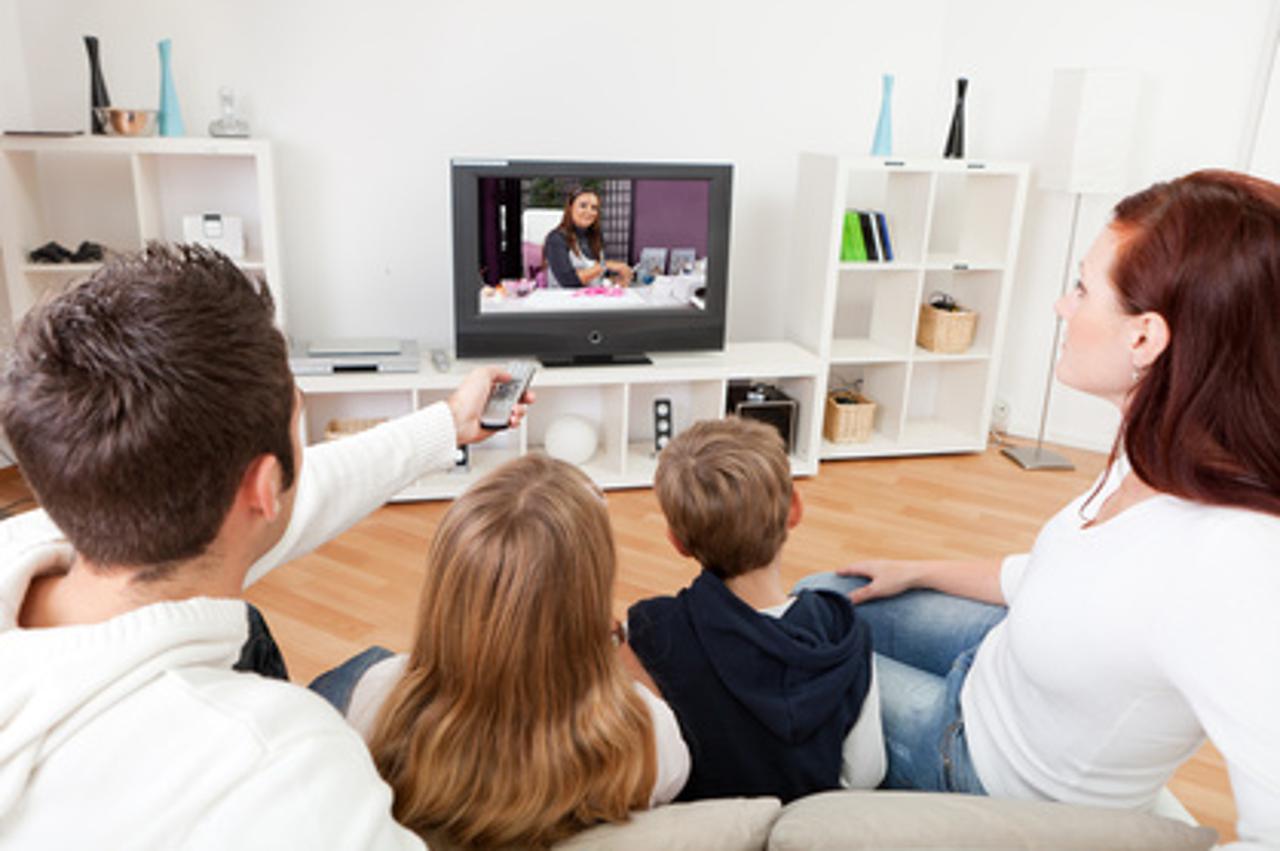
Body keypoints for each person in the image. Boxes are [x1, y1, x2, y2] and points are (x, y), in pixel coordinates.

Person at [796, 170, 1280, 847]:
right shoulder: (1160, 446)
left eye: (1082, 288)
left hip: (980, 772)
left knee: (791, 652)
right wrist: (917, 568)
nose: (1061, 304)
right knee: (819, 596)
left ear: (1145, 338)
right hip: (998, 663)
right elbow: (1059, 574)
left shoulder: (1234, 557)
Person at [0, 244, 530, 848]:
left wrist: (447, 423)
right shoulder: (285, 767)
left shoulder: (48, 533)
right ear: (261, 487)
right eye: (298, 420)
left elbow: (303, 493)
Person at [314, 454, 688, 849]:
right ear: (588, 599)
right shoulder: (649, 736)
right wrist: (615, 648)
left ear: (448, 589)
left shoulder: (378, 698)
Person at [626, 417, 885, 803]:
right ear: (794, 510)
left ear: (677, 542)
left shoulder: (651, 629)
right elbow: (866, 773)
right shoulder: (843, 630)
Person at [542, 187, 633, 289]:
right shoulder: (556, 239)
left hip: (591, 300)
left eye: (594, 208)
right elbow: (569, 282)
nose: (589, 212)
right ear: (570, 207)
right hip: (564, 302)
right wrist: (606, 265)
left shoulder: (596, 238)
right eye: (583, 206)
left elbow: (599, 277)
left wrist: (616, 281)